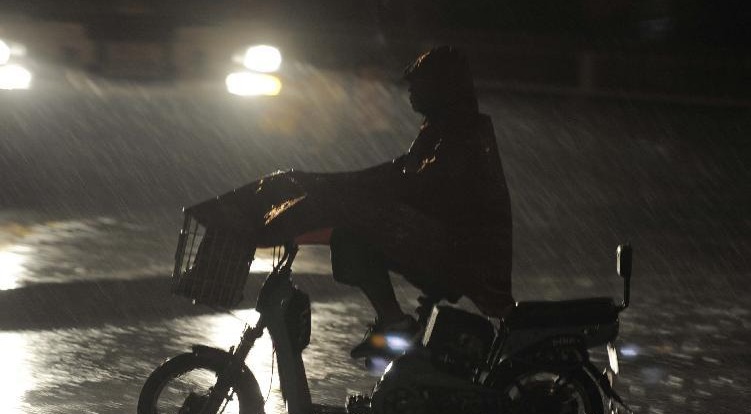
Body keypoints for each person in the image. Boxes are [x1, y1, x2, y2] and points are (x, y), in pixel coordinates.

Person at [184, 46, 514, 359]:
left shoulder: (463, 134)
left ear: (443, 88)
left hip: (461, 255)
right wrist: (323, 180)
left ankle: (392, 321)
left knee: (351, 212)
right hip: (447, 243)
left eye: (420, 85)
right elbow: (396, 172)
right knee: (347, 233)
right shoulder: (440, 130)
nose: (411, 93)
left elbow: (414, 185)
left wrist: (336, 188)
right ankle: (392, 320)